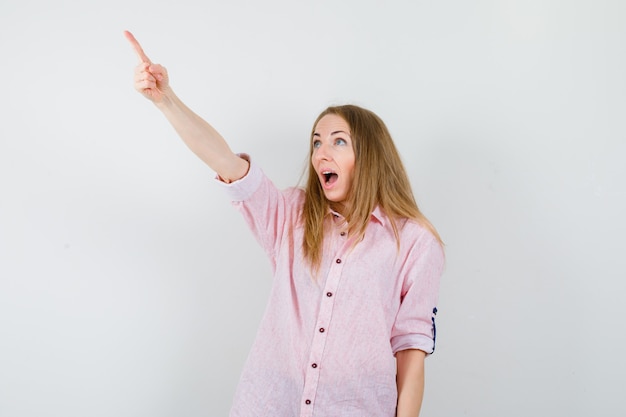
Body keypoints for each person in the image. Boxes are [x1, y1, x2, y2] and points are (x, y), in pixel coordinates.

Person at [124, 30, 444, 417]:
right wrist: (166, 101)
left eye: (338, 141)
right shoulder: (291, 215)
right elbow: (224, 161)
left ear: (371, 155)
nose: (322, 153)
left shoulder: (414, 242)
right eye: (316, 142)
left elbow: (411, 354)